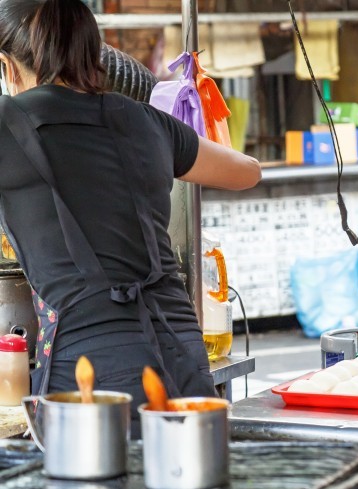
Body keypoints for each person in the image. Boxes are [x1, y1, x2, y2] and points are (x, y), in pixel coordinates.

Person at [0, 0, 260, 430]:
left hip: (91, 369)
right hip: (181, 350)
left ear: (7, 66)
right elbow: (247, 172)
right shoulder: (146, 121)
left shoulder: (8, 124)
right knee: (189, 485)